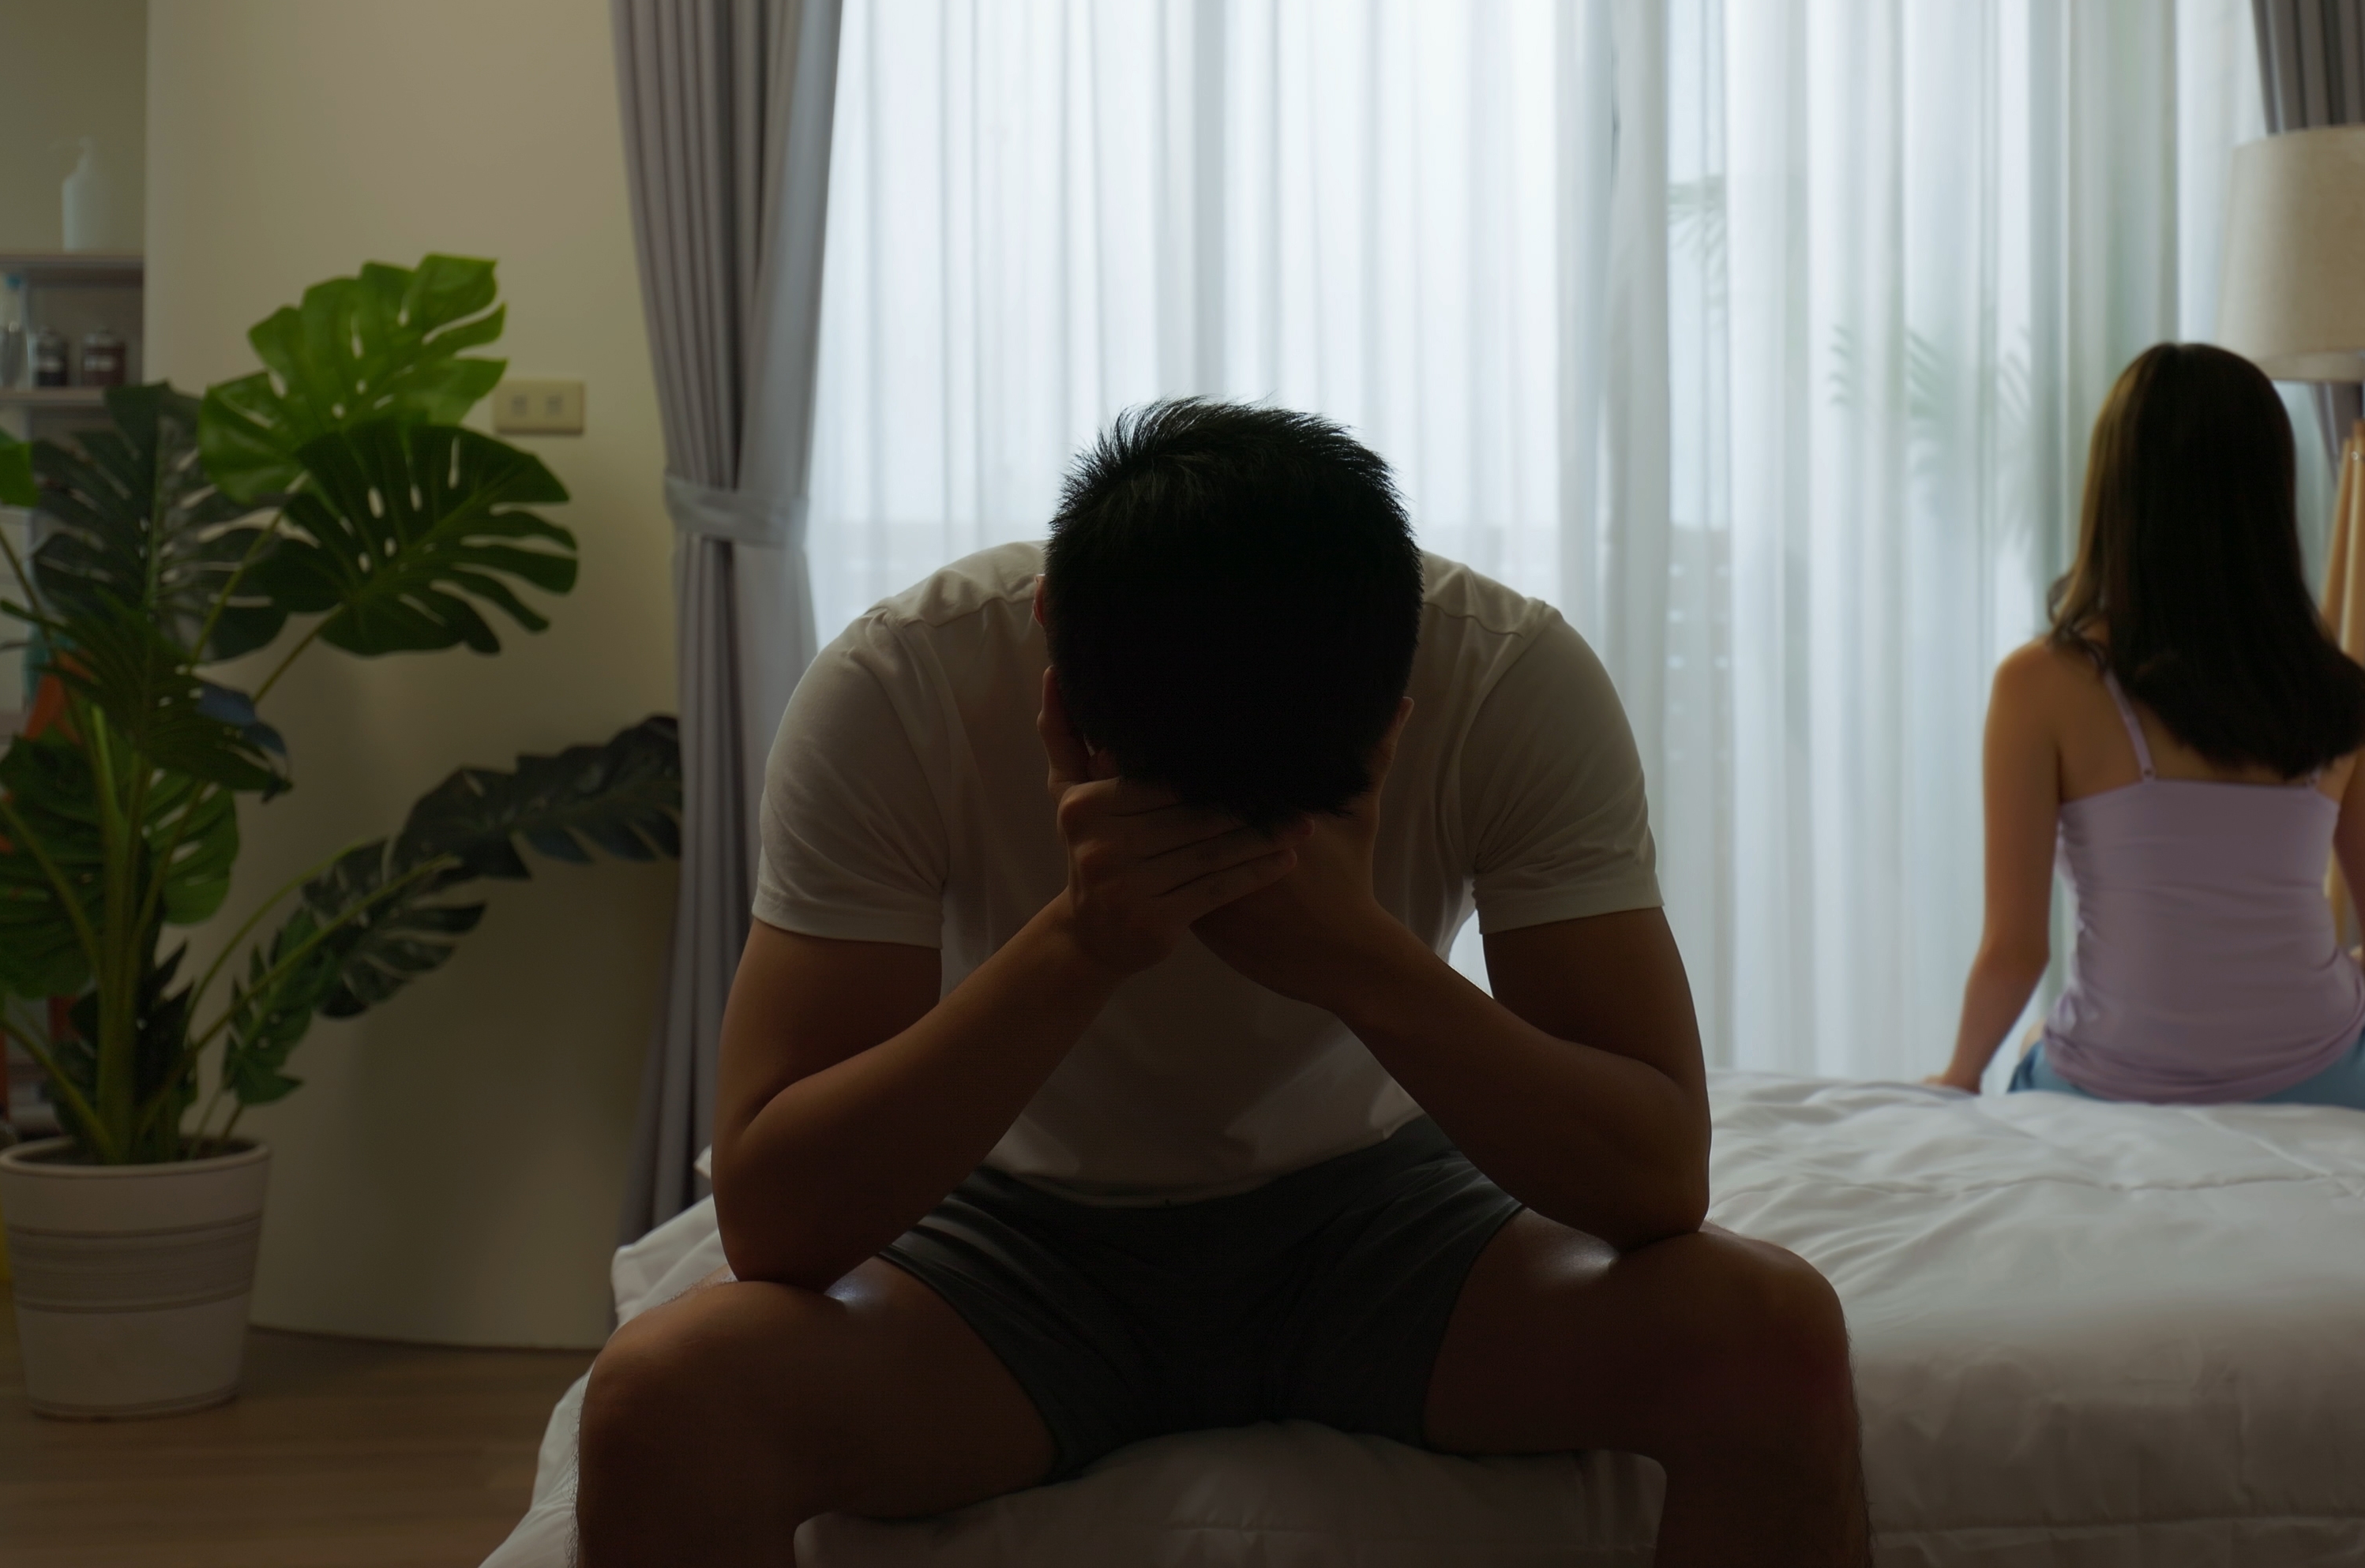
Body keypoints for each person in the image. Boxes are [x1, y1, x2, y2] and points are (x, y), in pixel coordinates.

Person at [573, 401, 1870, 1567]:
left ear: (1396, 700)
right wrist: (1079, 945)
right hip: (1011, 1236)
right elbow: (775, 1220)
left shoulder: (1508, 677)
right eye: (1165, 803)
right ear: (1051, 666)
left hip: (1377, 1219)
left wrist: (1356, 956)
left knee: (1772, 1338)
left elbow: (1656, 1178)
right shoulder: (897, 688)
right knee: (660, 1402)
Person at [1928, 343, 2365, 1111]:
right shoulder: (2337, 695)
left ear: (2115, 491)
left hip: (2117, 1081)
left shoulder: (2039, 685)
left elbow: (2014, 952)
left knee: (2037, 1047)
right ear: (2270, 497)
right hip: (2330, 1079)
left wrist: (1957, 1076)